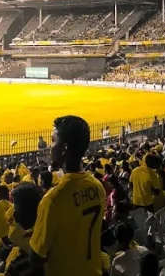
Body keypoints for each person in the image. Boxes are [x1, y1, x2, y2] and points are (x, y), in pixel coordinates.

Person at [22, 115, 106, 276]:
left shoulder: (53, 199)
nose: (50, 147)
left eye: (53, 141)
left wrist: (36, 233)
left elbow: (36, 259)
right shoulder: (97, 186)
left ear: (64, 148)